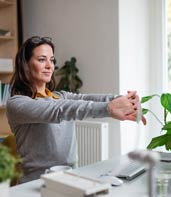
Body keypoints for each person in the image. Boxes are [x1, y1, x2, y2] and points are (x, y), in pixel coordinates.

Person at [6, 36, 146, 183]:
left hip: (70, 178)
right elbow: (60, 110)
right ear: (26, 64)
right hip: (36, 183)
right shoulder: (17, 104)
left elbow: (88, 99)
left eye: (52, 60)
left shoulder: (60, 96)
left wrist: (125, 99)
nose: (49, 66)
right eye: (42, 60)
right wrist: (108, 108)